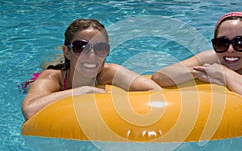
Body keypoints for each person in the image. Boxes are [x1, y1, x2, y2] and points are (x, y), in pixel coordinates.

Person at [152, 12, 242, 116]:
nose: (230, 50)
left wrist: (223, 73)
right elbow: (160, 76)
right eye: (222, 43)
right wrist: (201, 73)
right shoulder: (212, 58)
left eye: (241, 43)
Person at [22, 18, 162, 120]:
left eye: (100, 48)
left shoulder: (110, 72)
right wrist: (85, 90)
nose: (92, 55)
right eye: (81, 47)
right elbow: (30, 110)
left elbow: (156, 91)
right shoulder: (53, 78)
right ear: (68, 52)